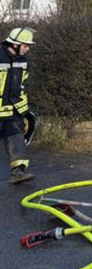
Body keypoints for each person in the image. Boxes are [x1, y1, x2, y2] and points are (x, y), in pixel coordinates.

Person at [1, 27, 36, 184]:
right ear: (14, 44)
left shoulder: (24, 61)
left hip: (12, 109)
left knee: (16, 138)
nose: (27, 48)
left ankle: (18, 173)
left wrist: (24, 111)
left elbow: (22, 85)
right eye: (25, 45)